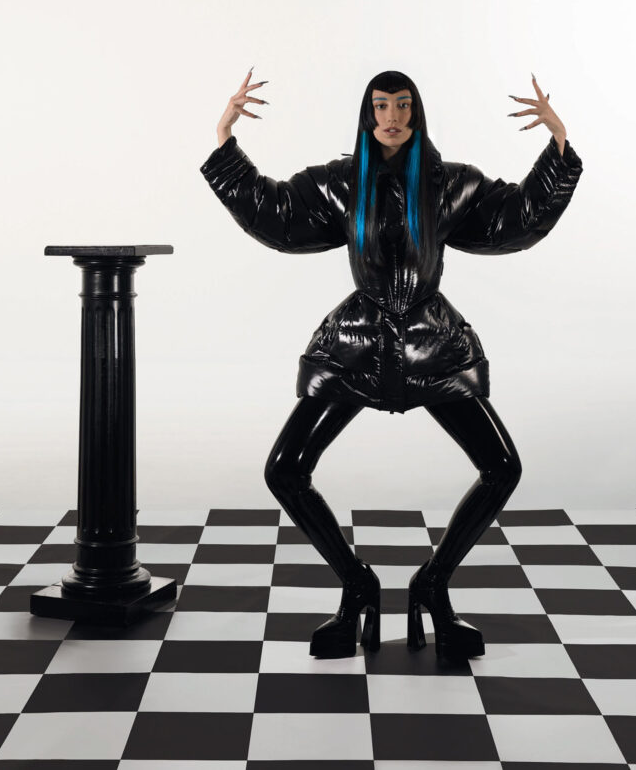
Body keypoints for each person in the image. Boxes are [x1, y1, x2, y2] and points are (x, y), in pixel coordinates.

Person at [201, 67, 583, 661]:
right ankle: (358, 586)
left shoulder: (447, 184)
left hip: (433, 349)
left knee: (502, 468)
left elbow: (512, 220)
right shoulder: (342, 183)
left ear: (416, 113)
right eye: (381, 106)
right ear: (367, 114)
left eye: (403, 105)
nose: (392, 117)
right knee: (285, 470)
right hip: (355, 348)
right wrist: (225, 141)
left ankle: (432, 583)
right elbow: (277, 215)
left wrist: (558, 146)